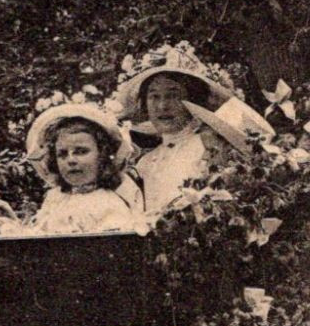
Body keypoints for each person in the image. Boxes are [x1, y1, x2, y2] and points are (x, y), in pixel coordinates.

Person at [112, 44, 243, 217]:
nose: (162, 106)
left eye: (173, 95)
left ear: (193, 100)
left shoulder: (210, 147)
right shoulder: (144, 163)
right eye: (154, 96)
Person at [24, 103, 141, 236]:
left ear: (102, 155)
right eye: (62, 154)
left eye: (81, 151)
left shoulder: (107, 203)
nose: (71, 160)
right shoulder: (55, 199)